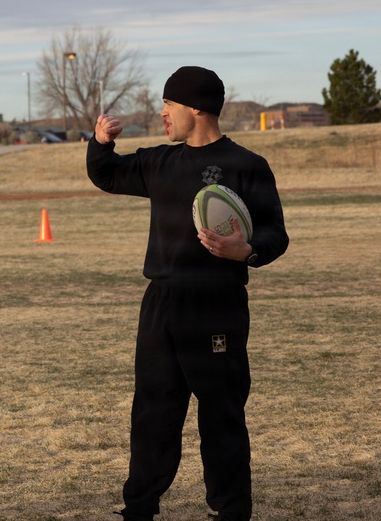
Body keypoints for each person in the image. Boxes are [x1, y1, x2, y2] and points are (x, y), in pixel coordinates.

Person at [86, 66, 289, 521]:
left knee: (221, 416)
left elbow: (278, 233)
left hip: (217, 304)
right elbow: (107, 174)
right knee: (153, 413)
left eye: (169, 104)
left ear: (195, 108)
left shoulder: (247, 166)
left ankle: (231, 512)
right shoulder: (159, 162)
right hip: (161, 305)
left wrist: (247, 250)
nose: (162, 113)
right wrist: (100, 142)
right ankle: (138, 509)